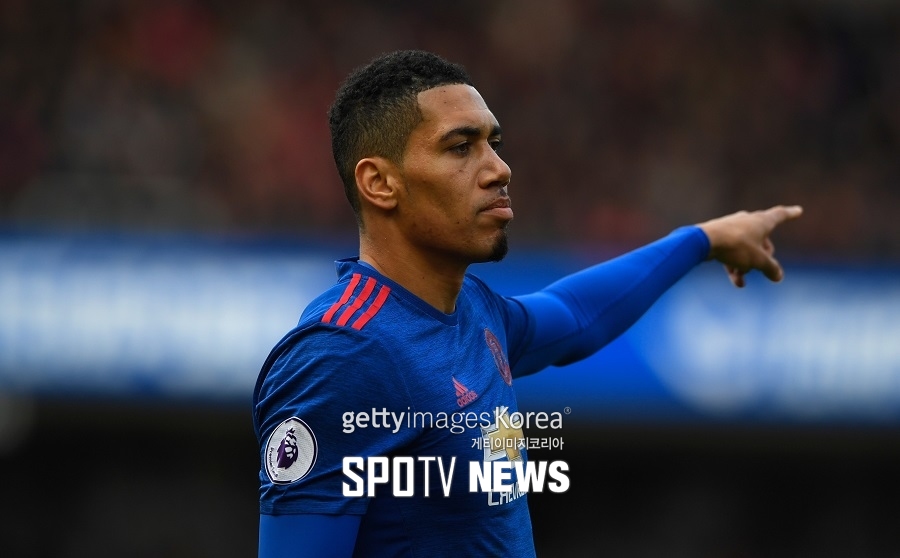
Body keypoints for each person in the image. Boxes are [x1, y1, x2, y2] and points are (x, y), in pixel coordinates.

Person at [252, 49, 802, 557]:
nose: (499, 169)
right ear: (380, 183)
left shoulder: (471, 310)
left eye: (494, 144)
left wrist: (703, 239)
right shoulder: (341, 356)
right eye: (461, 147)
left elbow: (577, 316)